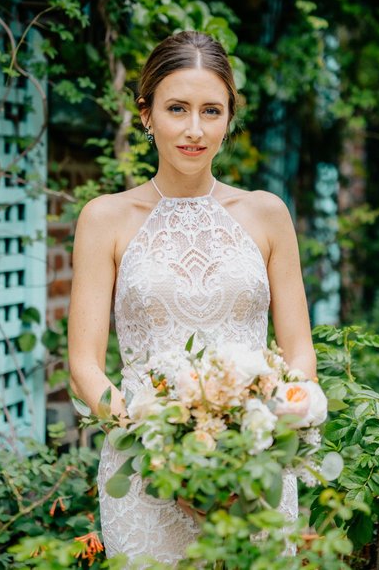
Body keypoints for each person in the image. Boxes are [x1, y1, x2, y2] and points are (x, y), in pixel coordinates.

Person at [67, 30, 318, 563]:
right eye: (177, 108)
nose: (194, 130)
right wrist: (158, 453)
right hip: (142, 471)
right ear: (146, 113)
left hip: (254, 467)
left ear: (230, 116)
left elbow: (300, 353)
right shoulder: (104, 219)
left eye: (212, 110)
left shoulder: (267, 214)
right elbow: (84, 365)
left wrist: (265, 440)